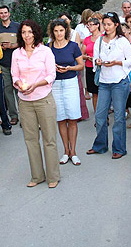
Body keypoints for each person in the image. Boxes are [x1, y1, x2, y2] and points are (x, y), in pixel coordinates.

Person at [11, 20, 60, 188]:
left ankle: (53, 176)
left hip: (43, 99)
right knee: (30, 139)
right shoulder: (16, 53)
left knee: (49, 139)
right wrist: (20, 85)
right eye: (24, 32)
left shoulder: (45, 51)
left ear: (36, 33)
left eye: (30, 32)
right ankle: (37, 176)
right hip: (25, 102)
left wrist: (35, 85)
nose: (27, 35)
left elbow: (51, 75)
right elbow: (14, 76)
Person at [86, 12, 131, 159]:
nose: (106, 27)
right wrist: (98, 62)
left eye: (109, 24)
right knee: (100, 115)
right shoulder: (100, 41)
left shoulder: (122, 41)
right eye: (104, 24)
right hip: (104, 82)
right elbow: (95, 59)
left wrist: (118, 62)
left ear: (116, 25)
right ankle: (100, 145)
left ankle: (119, 148)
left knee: (119, 117)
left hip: (119, 81)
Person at [48, 19, 84, 166]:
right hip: (55, 85)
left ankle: (74, 151)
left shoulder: (73, 46)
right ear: (52, 32)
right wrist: (53, 68)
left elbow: (81, 65)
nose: (59, 34)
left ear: (66, 31)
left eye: (61, 30)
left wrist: (69, 68)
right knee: (61, 119)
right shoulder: (48, 47)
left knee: (72, 118)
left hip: (70, 83)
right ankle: (66, 151)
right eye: (56, 31)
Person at [0, 5, 20, 126]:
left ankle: (25, 115)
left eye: (5, 12)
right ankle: (13, 116)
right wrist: (0, 48)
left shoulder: (17, 26)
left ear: (9, 14)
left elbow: (23, 42)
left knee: (20, 90)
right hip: (2, 63)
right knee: (7, 90)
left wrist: (13, 46)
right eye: (1, 13)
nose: (3, 15)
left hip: (17, 62)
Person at [59, 12, 89, 121]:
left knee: (76, 89)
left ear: (70, 20)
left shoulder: (74, 33)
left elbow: (77, 48)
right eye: (62, 20)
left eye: (66, 19)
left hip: (73, 63)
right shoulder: (56, 33)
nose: (64, 22)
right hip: (59, 65)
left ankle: (78, 114)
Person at [82, 18, 102, 112]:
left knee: (103, 92)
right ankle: (97, 114)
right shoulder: (87, 39)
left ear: (97, 25)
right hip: (90, 67)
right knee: (94, 93)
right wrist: (87, 58)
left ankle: (104, 114)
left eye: (91, 24)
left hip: (101, 67)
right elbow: (81, 54)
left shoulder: (103, 37)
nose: (89, 27)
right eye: (88, 25)